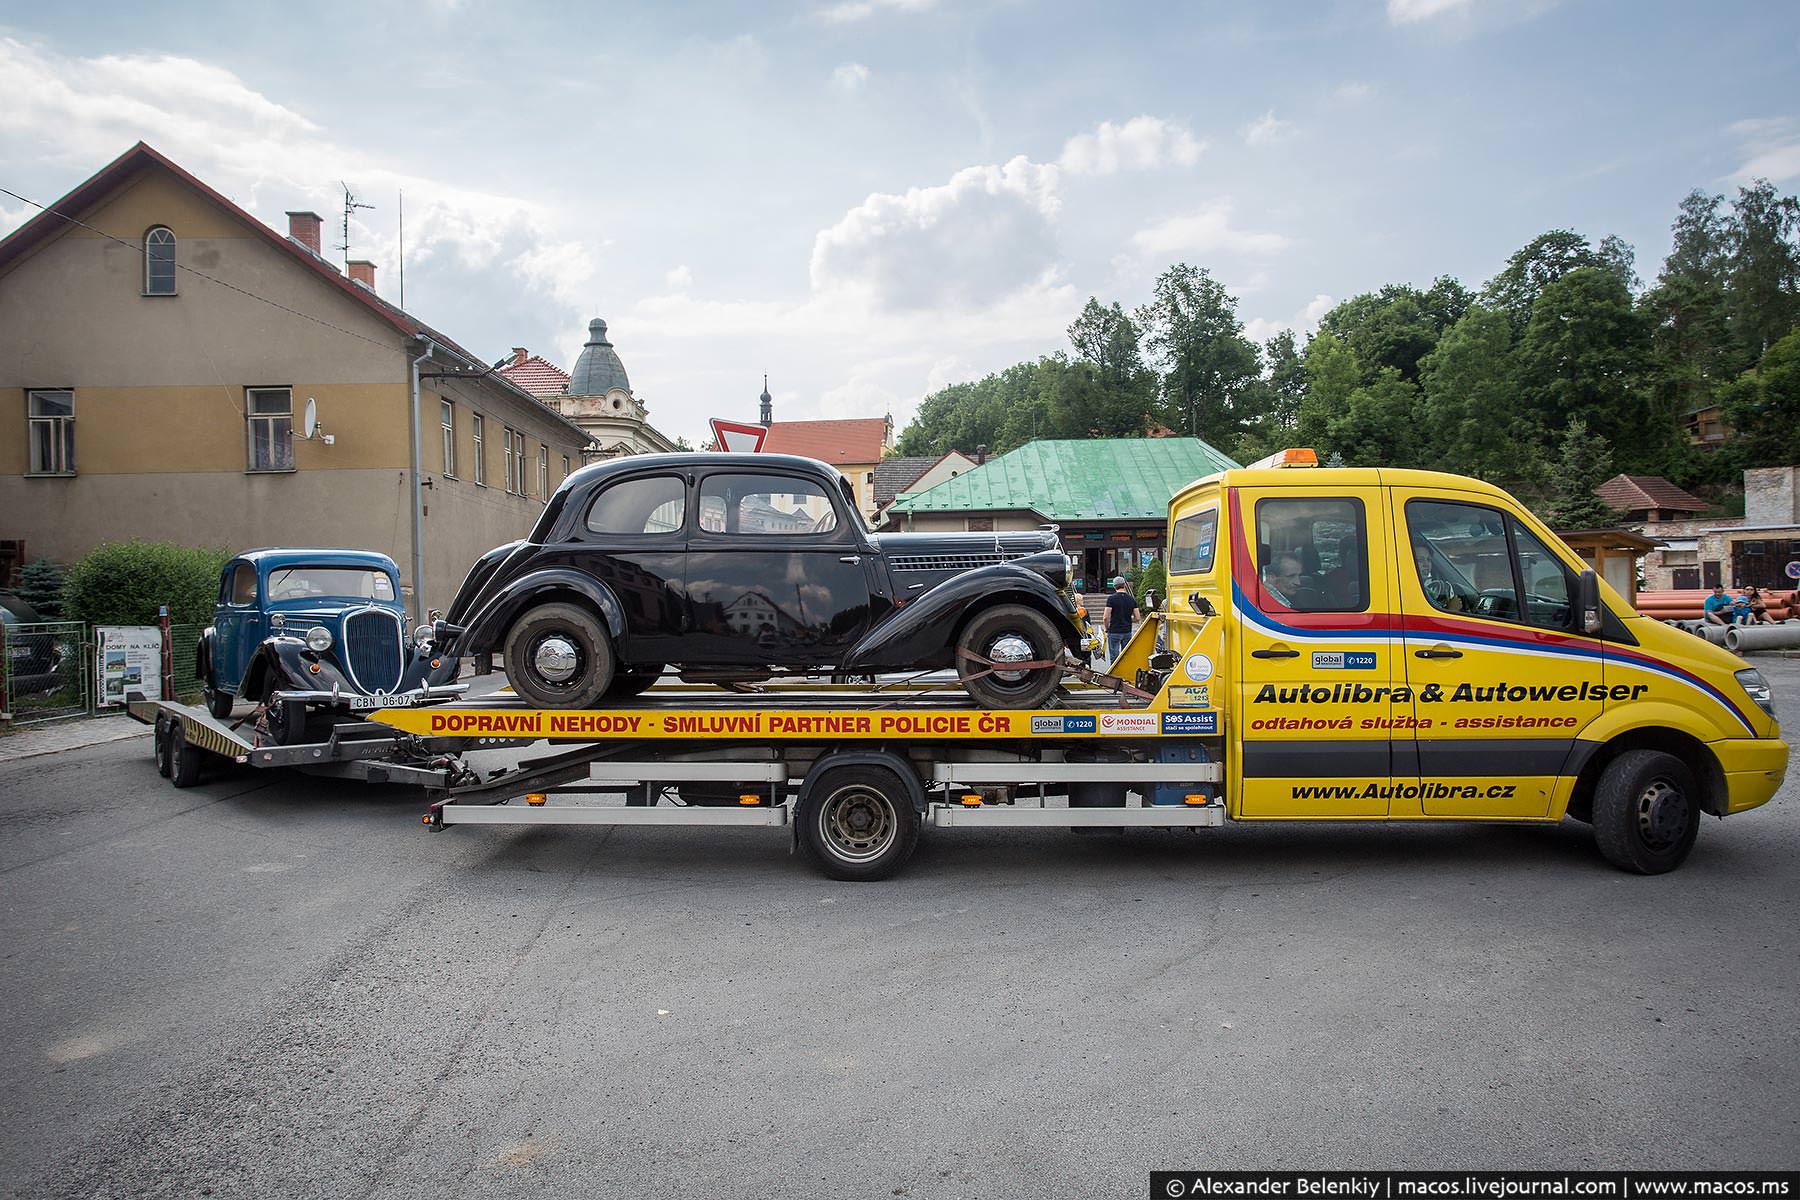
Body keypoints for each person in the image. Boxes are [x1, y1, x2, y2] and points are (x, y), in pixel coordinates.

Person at [1104, 576, 1140, 664]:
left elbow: (1105, 617)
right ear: (1124, 585)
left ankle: (1114, 675)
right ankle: (1125, 674)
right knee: (1126, 656)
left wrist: (1107, 628)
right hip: (1127, 631)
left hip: (1114, 631)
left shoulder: (1111, 599)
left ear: (1114, 586)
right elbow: (1138, 618)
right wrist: (1128, 619)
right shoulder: (1131, 599)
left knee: (1114, 657)